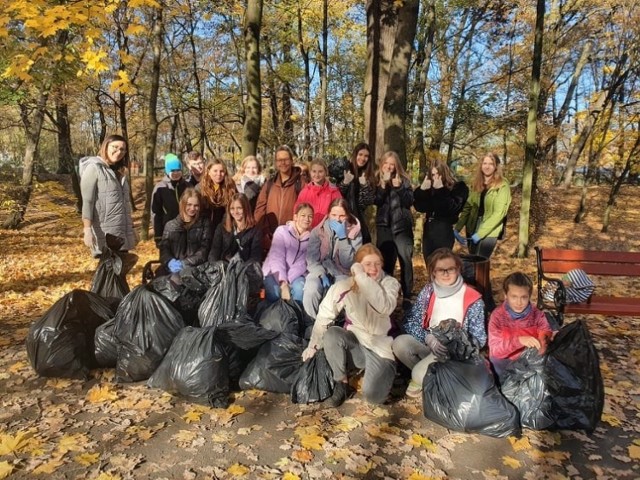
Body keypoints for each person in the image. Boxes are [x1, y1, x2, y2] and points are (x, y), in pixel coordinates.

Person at [302, 244, 400, 407]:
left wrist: (362, 278)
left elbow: (383, 307)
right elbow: (325, 315)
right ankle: (342, 382)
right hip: (356, 346)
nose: (373, 268)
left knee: (374, 398)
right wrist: (313, 345)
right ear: (358, 266)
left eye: (377, 264)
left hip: (381, 348)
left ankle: (380, 372)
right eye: (367, 264)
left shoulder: (390, 284)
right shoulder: (344, 286)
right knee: (333, 334)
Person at [393, 248, 486, 398]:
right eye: (440, 270)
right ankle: (436, 378)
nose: (445, 273)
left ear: (459, 269)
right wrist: (428, 338)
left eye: (450, 269)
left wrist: (454, 345)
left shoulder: (473, 298)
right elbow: (411, 321)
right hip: (429, 345)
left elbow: (479, 338)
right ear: (433, 272)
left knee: (417, 375)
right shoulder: (429, 291)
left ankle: (433, 378)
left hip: (453, 354)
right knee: (399, 343)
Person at [79, 134, 138, 273]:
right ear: (106, 147)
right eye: (115, 147)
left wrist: (132, 227)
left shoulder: (119, 173)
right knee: (107, 279)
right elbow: (87, 202)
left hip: (122, 235)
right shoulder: (94, 168)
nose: (119, 152)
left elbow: (125, 205)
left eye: (123, 149)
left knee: (119, 279)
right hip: (106, 235)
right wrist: (87, 230)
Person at [488, 272, 556, 381]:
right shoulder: (497, 316)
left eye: (524, 297)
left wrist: (545, 339)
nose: (519, 302)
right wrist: (519, 341)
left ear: (529, 296)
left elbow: (545, 332)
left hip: (529, 362)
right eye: (514, 297)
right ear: (506, 295)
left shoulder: (537, 314)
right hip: (504, 362)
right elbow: (496, 350)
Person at [303, 198, 363, 319]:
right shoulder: (318, 230)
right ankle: (312, 323)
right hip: (321, 270)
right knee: (311, 288)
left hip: (343, 272)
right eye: (334, 215)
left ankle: (337, 322)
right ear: (328, 214)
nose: (337, 219)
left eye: (342, 215)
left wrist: (343, 238)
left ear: (347, 215)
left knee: (342, 291)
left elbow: (349, 263)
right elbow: (311, 258)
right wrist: (320, 273)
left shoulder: (355, 232)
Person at [374, 151, 414, 308]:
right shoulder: (377, 180)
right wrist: (383, 186)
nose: (389, 167)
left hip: (402, 226)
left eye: (392, 164)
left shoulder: (404, 180)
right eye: (386, 163)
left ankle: (407, 296)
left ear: (396, 165)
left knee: (405, 260)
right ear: (382, 164)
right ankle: (386, 295)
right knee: (386, 262)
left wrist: (399, 188)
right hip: (384, 226)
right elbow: (376, 201)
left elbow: (410, 201)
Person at [454, 152, 511, 258]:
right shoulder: (476, 183)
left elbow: (499, 213)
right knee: (472, 264)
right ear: (481, 166)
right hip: (472, 226)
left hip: (489, 231)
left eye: (491, 164)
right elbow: (468, 207)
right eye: (485, 163)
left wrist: (480, 234)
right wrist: (457, 229)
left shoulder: (502, 185)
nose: (487, 166)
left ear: (496, 167)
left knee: (480, 262)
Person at [414, 158, 468, 259]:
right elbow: (419, 207)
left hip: (444, 231)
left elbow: (453, 208)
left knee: (441, 264)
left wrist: (441, 190)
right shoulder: (431, 189)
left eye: (438, 174)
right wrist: (422, 190)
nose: (435, 177)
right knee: (430, 266)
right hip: (429, 231)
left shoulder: (458, 187)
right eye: (433, 175)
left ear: (444, 173)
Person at [254, 145, 307, 249]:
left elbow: (306, 210)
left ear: (292, 161)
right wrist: (264, 233)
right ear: (276, 162)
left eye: (286, 159)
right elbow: (260, 210)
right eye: (279, 160)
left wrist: (297, 230)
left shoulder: (301, 183)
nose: (283, 163)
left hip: (293, 238)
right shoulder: (269, 184)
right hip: (270, 237)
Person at [262, 203, 314, 303]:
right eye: (303, 215)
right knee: (275, 293)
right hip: (273, 272)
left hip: (295, 275)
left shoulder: (312, 239)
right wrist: (282, 282)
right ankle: (272, 316)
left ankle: (294, 316)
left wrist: (288, 281)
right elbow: (276, 257)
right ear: (295, 217)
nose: (307, 219)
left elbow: (302, 263)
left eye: (310, 216)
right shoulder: (282, 231)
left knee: (299, 290)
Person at [159, 188, 212, 274]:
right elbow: (164, 249)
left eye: (196, 205)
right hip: (171, 270)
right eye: (189, 204)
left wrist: (185, 263)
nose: (192, 208)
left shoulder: (204, 224)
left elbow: (204, 249)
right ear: (182, 204)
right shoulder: (171, 225)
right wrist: (169, 261)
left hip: (196, 269)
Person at [339, 142, 376, 244]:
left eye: (366, 156)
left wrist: (364, 186)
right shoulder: (345, 169)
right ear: (355, 154)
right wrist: (345, 182)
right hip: (342, 216)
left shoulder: (368, 175)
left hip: (358, 217)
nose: (363, 158)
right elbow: (338, 194)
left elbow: (368, 202)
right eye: (360, 155)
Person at [209, 193, 262, 263]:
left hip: (243, 268)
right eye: (232, 209)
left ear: (246, 208)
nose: (235, 212)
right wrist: (217, 265)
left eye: (239, 208)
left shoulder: (255, 231)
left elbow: (255, 257)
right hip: (223, 267)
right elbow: (214, 252)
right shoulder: (222, 227)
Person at [151, 153, 189, 247]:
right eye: (173, 170)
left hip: (187, 231)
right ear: (167, 171)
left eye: (178, 170)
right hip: (167, 231)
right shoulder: (160, 188)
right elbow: (156, 213)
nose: (176, 173)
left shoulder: (188, 186)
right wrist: (158, 236)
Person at [294, 159, 342, 228]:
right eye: (314, 171)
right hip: (308, 232)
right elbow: (296, 212)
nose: (317, 175)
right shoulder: (304, 192)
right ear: (310, 172)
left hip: (327, 232)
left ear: (326, 172)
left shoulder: (334, 192)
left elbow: (340, 212)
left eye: (320, 172)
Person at [198, 159, 237, 232]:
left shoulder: (230, 187)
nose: (218, 174)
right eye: (215, 171)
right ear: (209, 172)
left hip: (224, 227)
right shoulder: (200, 188)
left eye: (221, 171)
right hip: (204, 228)